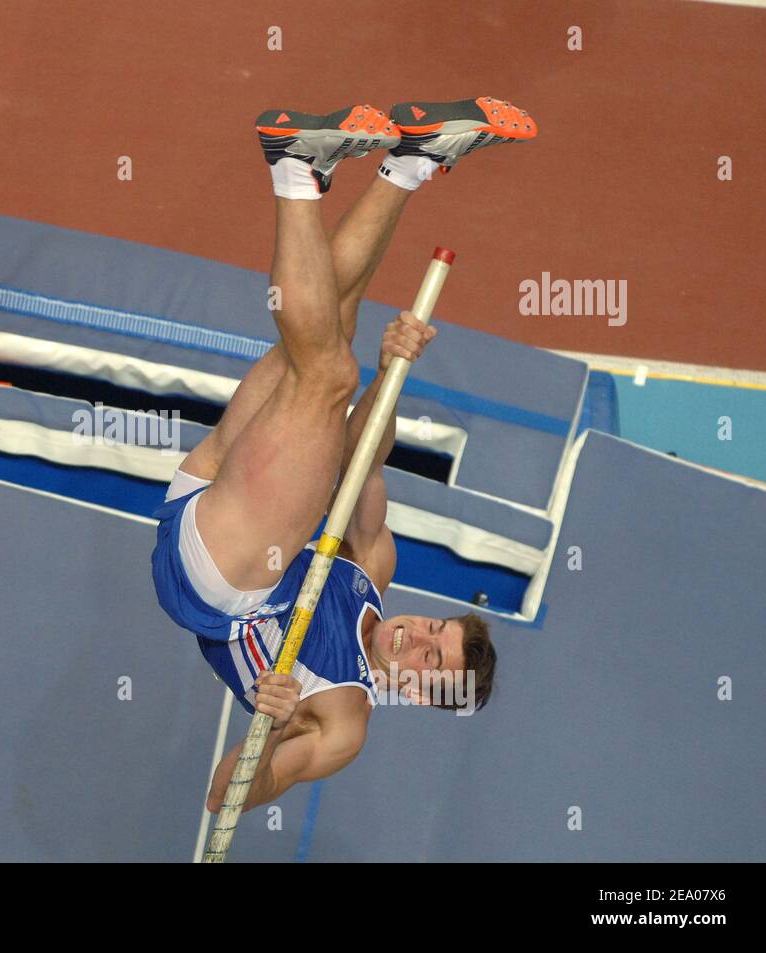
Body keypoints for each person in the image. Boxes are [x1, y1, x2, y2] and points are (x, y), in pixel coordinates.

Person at [151, 98, 535, 813]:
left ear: (420, 694)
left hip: (219, 581)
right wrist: (393, 371)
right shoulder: (373, 570)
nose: (418, 638)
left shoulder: (343, 721)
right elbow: (362, 456)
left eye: (428, 660)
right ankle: (410, 159)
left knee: (326, 373)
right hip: (212, 500)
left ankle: (296, 168)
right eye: (434, 629)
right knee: (337, 323)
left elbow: (225, 798)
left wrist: (266, 725)